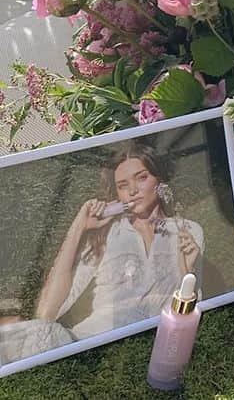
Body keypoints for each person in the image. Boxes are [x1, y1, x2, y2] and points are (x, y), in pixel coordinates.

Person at [0, 141, 203, 364]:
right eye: (123, 185)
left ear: (159, 179)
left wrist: (187, 270)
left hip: (151, 342)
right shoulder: (106, 234)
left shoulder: (187, 230)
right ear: (116, 194)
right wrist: (79, 227)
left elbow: (188, 312)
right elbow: (47, 313)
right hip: (89, 343)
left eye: (142, 177)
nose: (133, 191)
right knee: (36, 333)